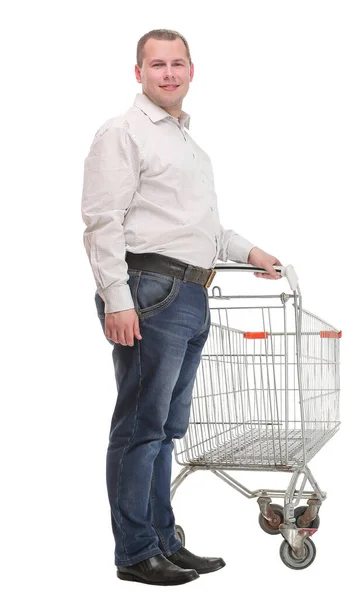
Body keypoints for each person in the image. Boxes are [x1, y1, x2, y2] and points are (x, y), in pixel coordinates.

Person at [81, 28, 282, 586]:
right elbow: (102, 222)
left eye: (177, 64)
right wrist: (116, 299)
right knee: (139, 429)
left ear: (192, 71)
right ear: (138, 74)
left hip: (191, 291)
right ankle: (135, 553)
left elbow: (201, 229)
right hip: (148, 291)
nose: (168, 73)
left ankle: (165, 541)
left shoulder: (188, 143)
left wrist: (249, 250)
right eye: (156, 65)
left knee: (166, 430)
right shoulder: (123, 132)